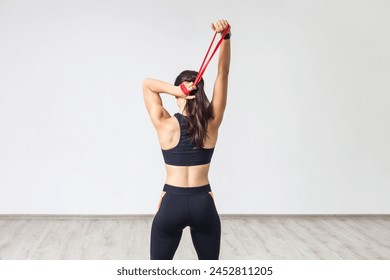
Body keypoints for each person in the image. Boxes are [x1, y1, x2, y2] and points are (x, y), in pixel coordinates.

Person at [142, 19, 231, 260]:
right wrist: (226, 37)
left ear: (180, 91)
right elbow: (222, 74)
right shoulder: (212, 122)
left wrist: (176, 91)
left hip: (172, 201)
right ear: (201, 92)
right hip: (204, 201)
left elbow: (148, 85)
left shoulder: (165, 123)